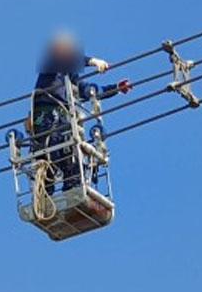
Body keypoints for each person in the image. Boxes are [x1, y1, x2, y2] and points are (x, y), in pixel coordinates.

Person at [31, 33, 131, 191]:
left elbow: (88, 90)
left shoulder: (68, 75)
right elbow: (70, 60)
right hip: (46, 117)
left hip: (61, 118)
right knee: (52, 154)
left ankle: (73, 188)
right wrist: (93, 61)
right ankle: (46, 192)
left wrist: (116, 88)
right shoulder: (50, 65)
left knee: (70, 157)